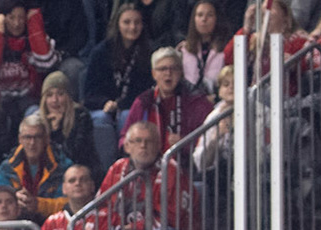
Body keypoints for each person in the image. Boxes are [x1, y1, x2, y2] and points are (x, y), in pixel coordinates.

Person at [0, 2, 60, 158]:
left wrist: (34, 20)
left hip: (29, 100)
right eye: (11, 17)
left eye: (21, 18)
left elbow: (46, 60)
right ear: (2, 18)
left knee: (35, 116)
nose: (16, 23)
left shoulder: (35, 36)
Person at [83, 1, 155, 163]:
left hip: (133, 106)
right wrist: (106, 103)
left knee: (126, 116)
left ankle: (128, 163)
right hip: (103, 107)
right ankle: (108, 166)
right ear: (117, 24)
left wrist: (122, 104)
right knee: (101, 119)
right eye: (127, 22)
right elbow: (89, 93)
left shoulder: (148, 52)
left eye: (137, 22)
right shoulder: (101, 53)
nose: (132, 27)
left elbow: (147, 90)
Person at [124, 46, 210, 152]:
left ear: (181, 72)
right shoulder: (144, 101)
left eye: (173, 68)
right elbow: (124, 138)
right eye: (162, 69)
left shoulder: (197, 101)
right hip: (147, 163)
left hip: (186, 163)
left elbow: (208, 141)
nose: (168, 73)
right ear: (154, 74)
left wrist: (185, 142)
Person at [36, 70, 100, 178]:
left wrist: (57, 130)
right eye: (49, 95)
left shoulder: (81, 116)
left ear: (68, 97)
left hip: (80, 174)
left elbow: (75, 156)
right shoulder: (38, 121)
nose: (54, 100)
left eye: (60, 94)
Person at [179, 0, 231, 95]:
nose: (204, 19)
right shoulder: (184, 50)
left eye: (209, 15)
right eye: (200, 15)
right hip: (190, 102)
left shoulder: (226, 48)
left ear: (217, 19)